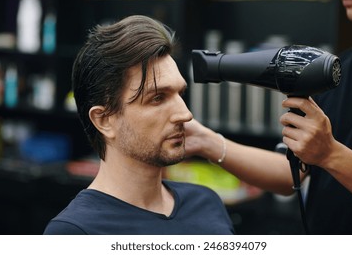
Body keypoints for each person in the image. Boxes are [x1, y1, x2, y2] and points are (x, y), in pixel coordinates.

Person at [184, 0, 352, 234]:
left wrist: (330, 154)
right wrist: (205, 141)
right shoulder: (337, 70)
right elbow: (288, 174)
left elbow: (324, 155)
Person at [43, 15, 234, 235]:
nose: (185, 114)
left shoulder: (206, 204)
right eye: (157, 98)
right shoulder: (76, 233)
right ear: (104, 120)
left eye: (180, 94)